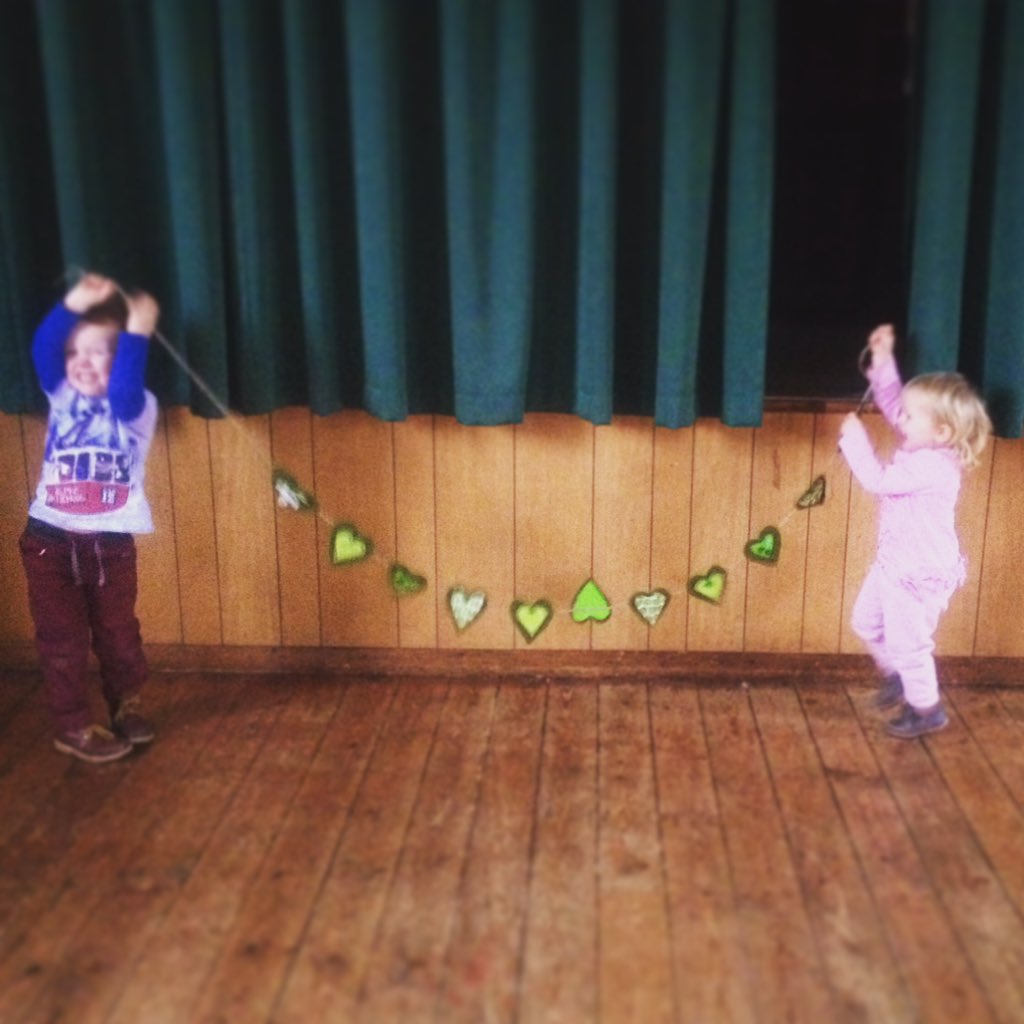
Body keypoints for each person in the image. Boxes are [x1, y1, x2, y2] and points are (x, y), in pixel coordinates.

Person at [19, 272, 161, 763]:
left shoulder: (137, 407)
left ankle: (126, 704)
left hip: (110, 545)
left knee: (119, 634)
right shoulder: (61, 398)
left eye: (97, 351)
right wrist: (78, 301)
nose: (81, 362)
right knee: (62, 643)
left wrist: (138, 330)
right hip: (48, 540)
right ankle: (73, 726)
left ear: (123, 360)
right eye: (75, 353)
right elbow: (44, 349)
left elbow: (122, 392)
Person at [839, 324, 992, 739]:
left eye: (911, 416)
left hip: (918, 574)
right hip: (895, 563)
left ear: (942, 431)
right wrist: (884, 362)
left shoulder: (934, 466)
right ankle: (899, 677)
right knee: (864, 622)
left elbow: (877, 481)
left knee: (912, 647)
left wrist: (855, 442)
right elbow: (894, 406)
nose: (899, 419)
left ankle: (926, 710)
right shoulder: (924, 442)